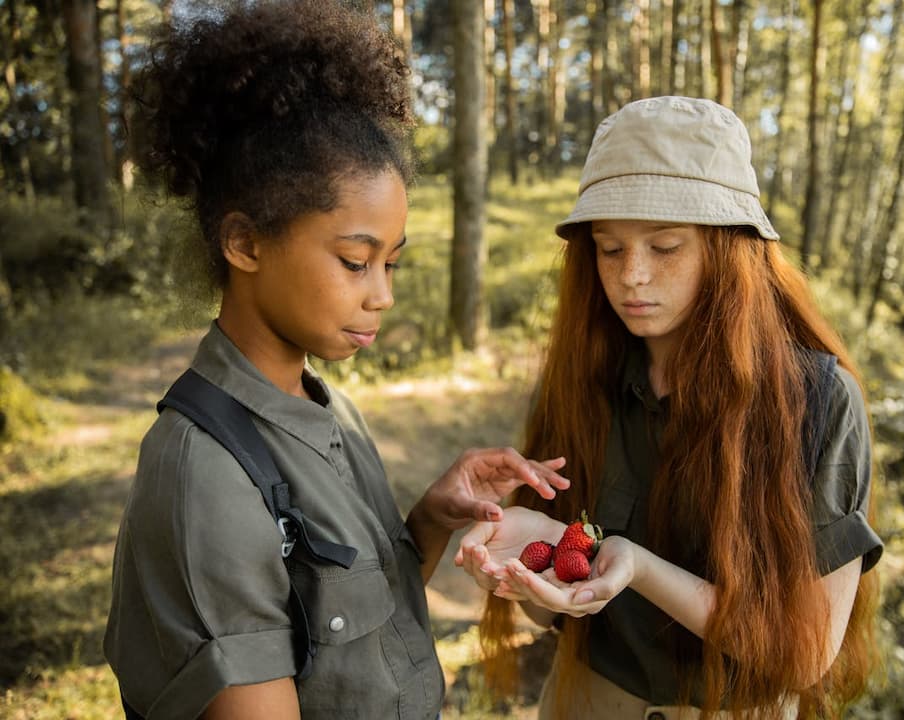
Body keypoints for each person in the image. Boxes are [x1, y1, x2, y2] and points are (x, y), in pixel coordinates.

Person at [103, 3, 569, 718]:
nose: (381, 296)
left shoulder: (327, 405)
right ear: (247, 244)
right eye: (355, 261)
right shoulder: (208, 477)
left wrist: (433, 519)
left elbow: (341, 618)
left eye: (392, 264)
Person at [456, 96, 883, 720]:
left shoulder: (814, 400)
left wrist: (638, 567)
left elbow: (808, 650)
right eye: (609, 249)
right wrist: (524, 568)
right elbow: (552, 610)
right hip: (585, 702)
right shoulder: (583, 378)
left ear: (729, 250)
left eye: (664, 248)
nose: (632, 276)